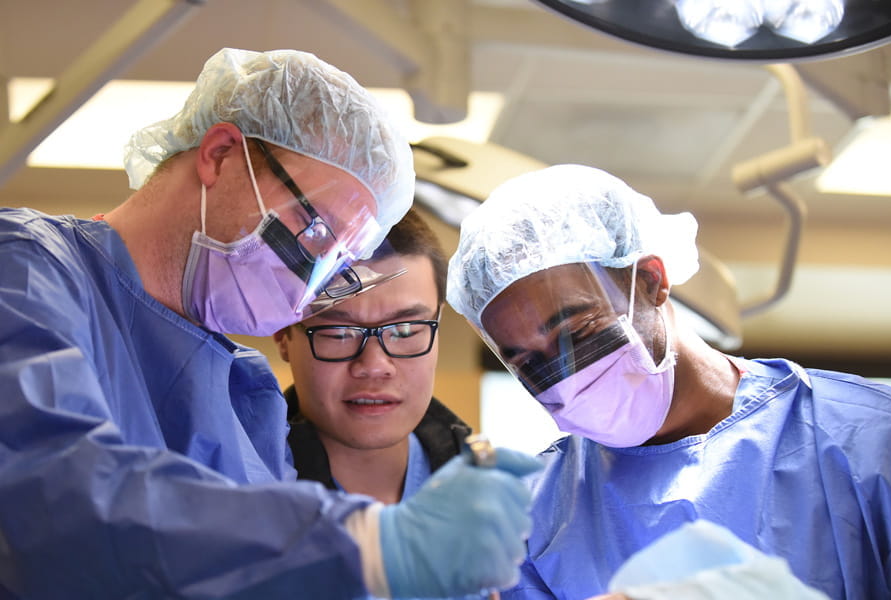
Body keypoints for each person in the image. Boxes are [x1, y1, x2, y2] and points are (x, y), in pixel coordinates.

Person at [0, 47, 541, 600]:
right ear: (221, 154)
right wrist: (372, 547)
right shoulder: (24, 270)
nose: (311, 281)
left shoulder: (242, 393)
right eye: (314, 233)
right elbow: (44, 504)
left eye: (336, 262)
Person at [447, 164, 891, 600]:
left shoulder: (869, 441)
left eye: (578, 333)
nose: (565, 379)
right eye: (528, 362)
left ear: (650, 281)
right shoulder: (533, 520)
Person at [274, 208, 473, 505]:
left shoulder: (489, 496)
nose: (374, 366)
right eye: (340, 333)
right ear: (281, 332)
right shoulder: (239, 495)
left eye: (405, 330)